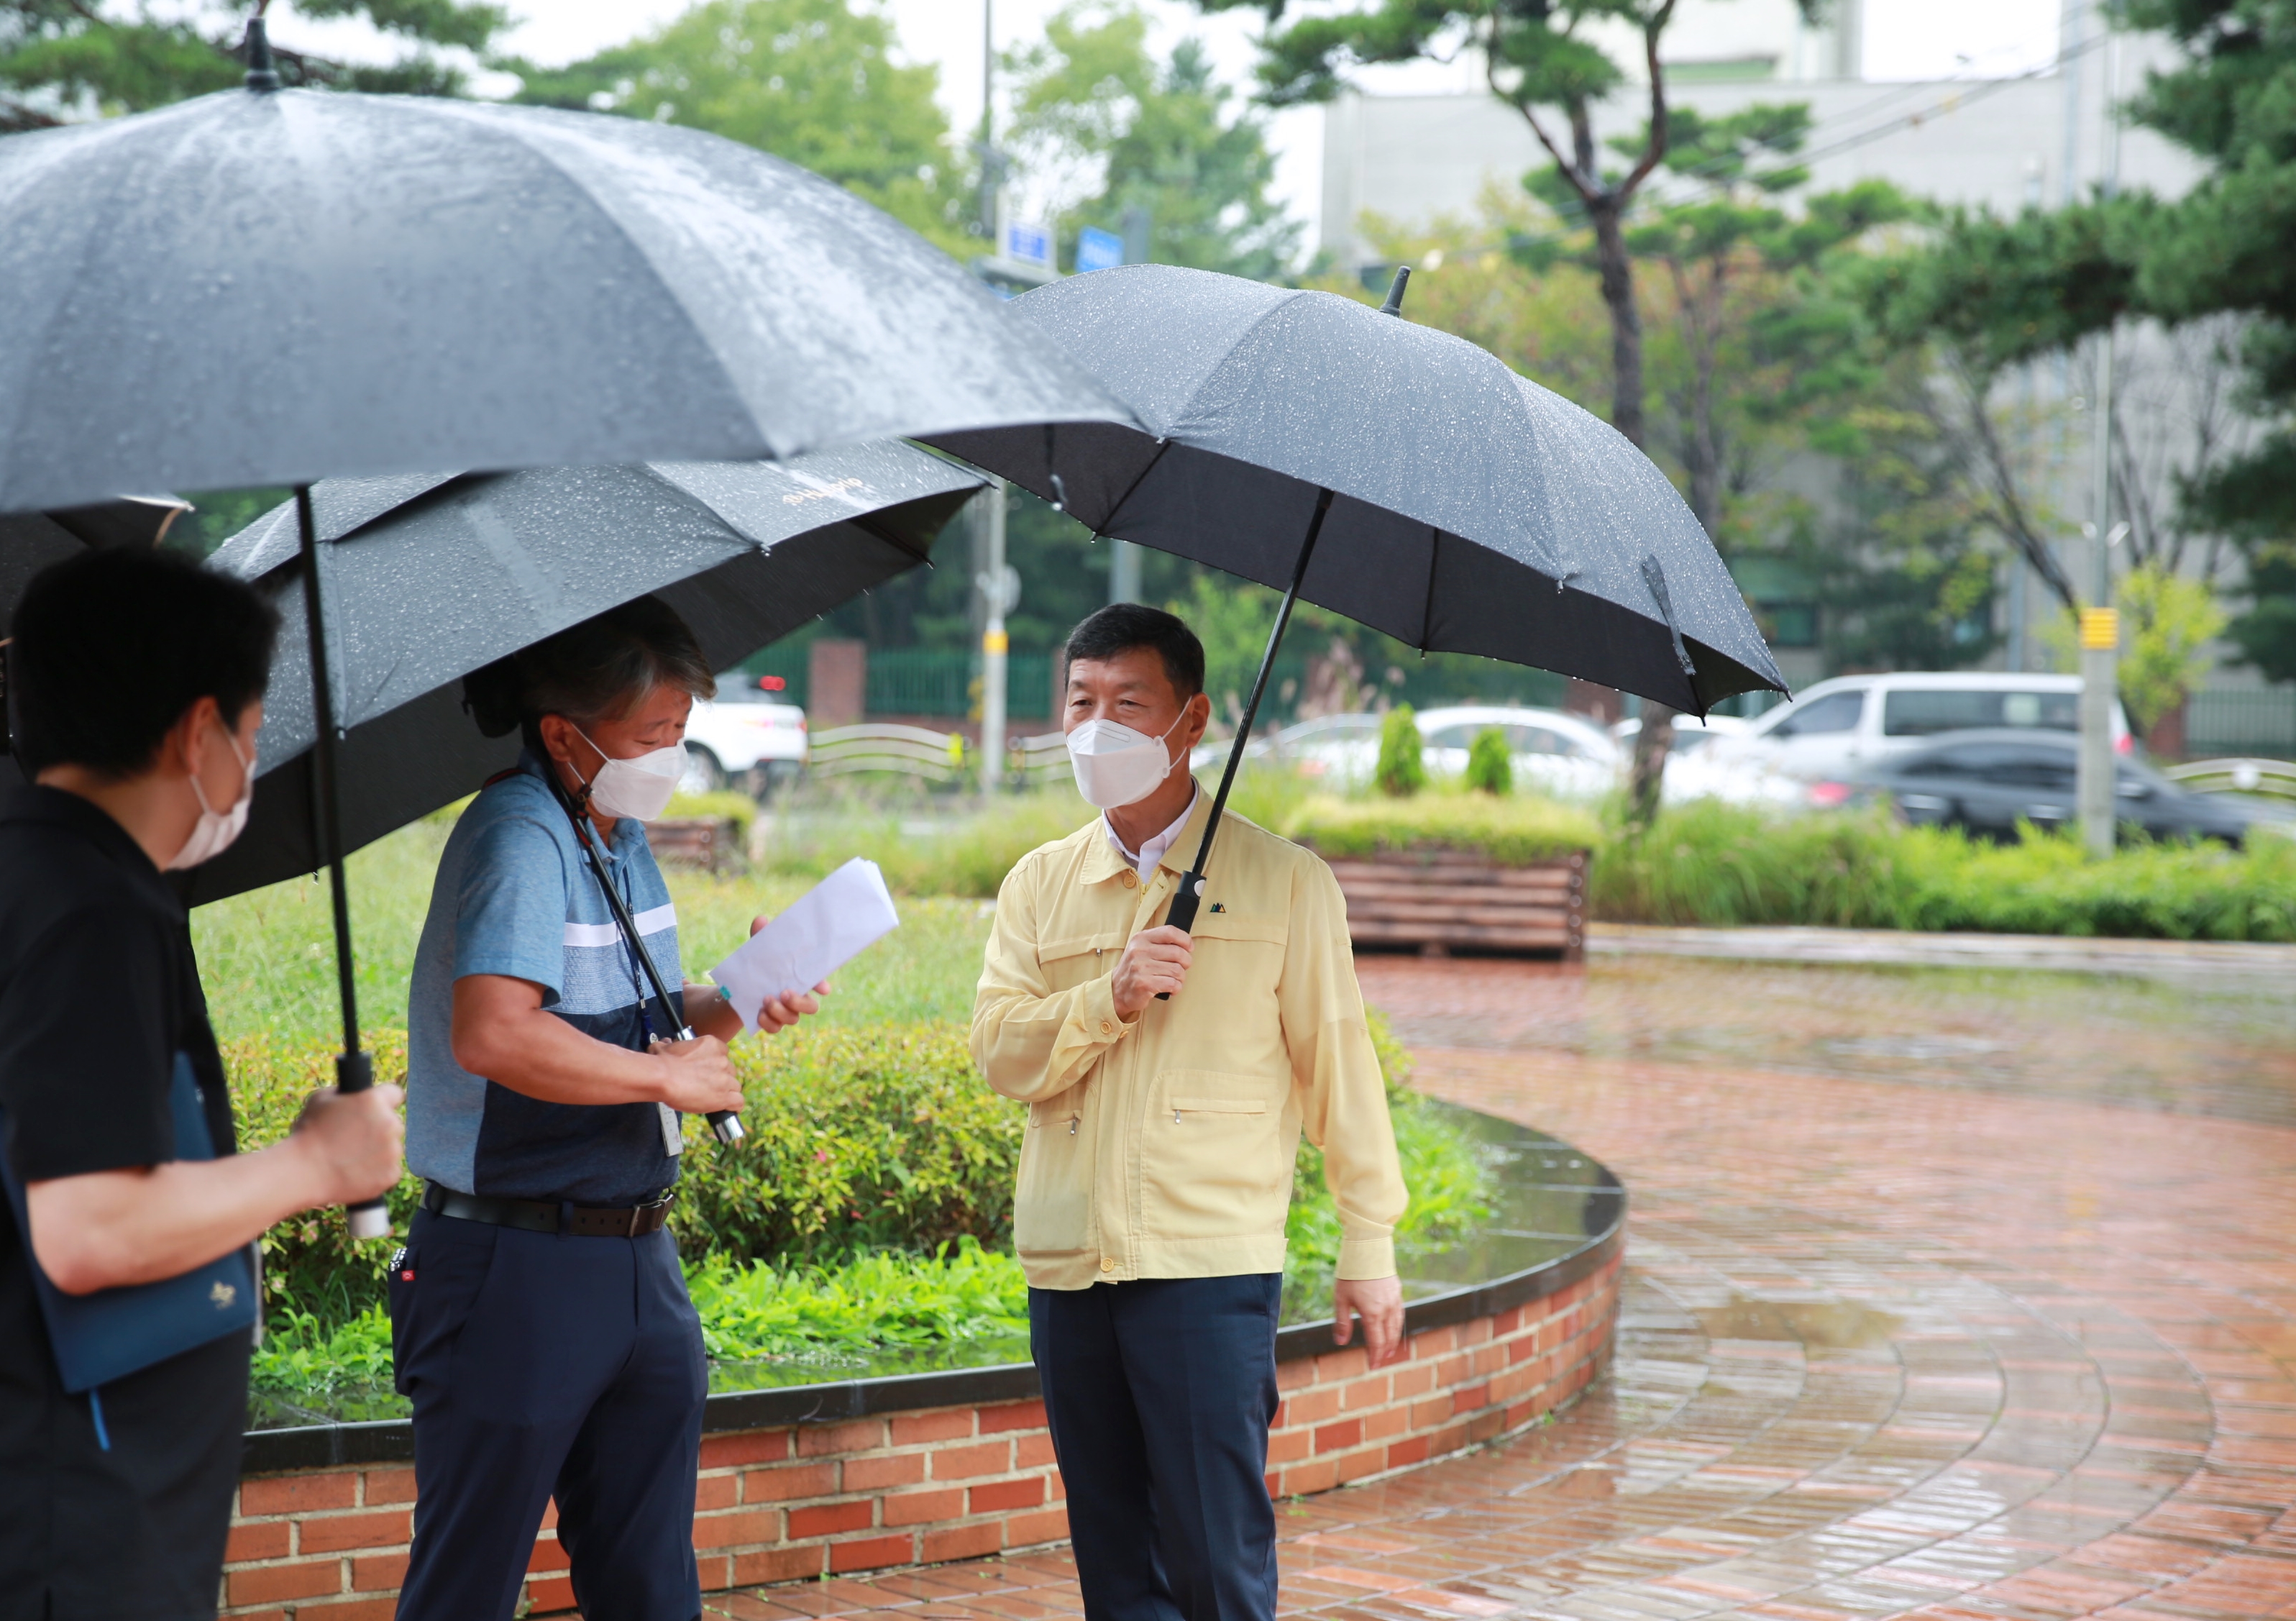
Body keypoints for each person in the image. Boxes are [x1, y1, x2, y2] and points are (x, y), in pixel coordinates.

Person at [972, 603, 1408, 1621]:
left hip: (1205, 1264)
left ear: (1193, 718)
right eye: (1081, 701)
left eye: (1129, 703)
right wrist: (1107, 996)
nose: (1096, 728)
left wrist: (1368, 1236)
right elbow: (999, 1052)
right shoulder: (1039, 885)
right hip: (1069, 1260)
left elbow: (1337, 1065)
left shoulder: (1284, 881)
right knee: (1114, 1562)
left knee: (1216, 1558)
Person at [392, 597, 818, 1621]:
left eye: (678, 731)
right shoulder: (519, 834)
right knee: (471, 1579)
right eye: (649, 736)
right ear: (562, 734)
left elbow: (640, 1027)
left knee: (651, 1581)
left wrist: (742, 997)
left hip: (636, 1254)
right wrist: (669, 1079)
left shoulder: (615, 836)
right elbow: (494, 1033)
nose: (670, 754)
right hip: (515, 1261)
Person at [0, 547, 406, 1620]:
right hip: (79, 1517)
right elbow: (86, 1226)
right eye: (255, 728)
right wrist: (316, 1161)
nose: (253, 759)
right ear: (196, 733)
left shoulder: (34, 868)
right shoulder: (93, 911)